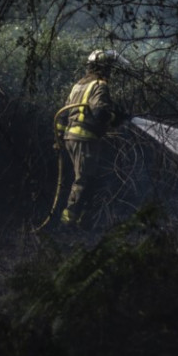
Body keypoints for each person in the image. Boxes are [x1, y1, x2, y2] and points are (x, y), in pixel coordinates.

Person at [55, 49, 129, 227]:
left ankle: (83, 219)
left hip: (70, 138)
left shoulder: (79, 85)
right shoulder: (99, 85)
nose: (110, 71)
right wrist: (114, 118)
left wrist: (58, 139)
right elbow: (99, 112)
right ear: (104, 68)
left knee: (89, 178)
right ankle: (67, 222)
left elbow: (63, 115)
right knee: (84, 179)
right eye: (109, 68)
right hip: (85, 138)